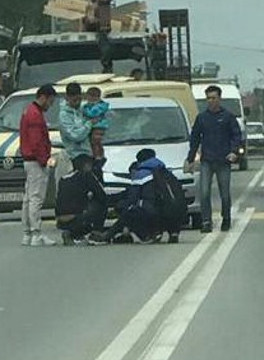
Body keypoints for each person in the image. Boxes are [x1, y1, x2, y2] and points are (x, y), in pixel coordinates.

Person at [91, 149, 183, 245]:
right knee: (162, 207)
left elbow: (131, 199)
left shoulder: (142, 173)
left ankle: (108, 236)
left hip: (156, 215)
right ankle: (173, 233)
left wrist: (117, 209)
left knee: (130, 212)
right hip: (178, 215)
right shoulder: (166, 173)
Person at [56, 82, 108, 245]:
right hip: (78, 157)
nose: (77, 103)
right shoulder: (64, 115)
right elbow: (75, 135)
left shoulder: (82, 109)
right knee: (96, 194)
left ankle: (93, 230)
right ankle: (79, 230)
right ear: (67, 98)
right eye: (74, 100)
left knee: (95, 193)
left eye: (79, 99)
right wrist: (89, 124)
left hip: (90, 155)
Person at [186, 84, 242, 233]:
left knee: (225, 194)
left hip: (223, 161)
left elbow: (236, 136)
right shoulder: (202, 118)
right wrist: (190, 160)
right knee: (204, 192)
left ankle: (226, 219)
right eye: (208, 98)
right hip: (207, 161)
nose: (211, 101)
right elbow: (195, 139)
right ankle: (206, 222)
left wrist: (234, 152)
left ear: (219, 99)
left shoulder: (228, 117)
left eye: (213, 98)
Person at [19, 84, 57, 246]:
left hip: (29, 160)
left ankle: (27, 233)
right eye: (51, 101)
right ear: (44, 97)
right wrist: (44, 160)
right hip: (36, 161)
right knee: (36, 198)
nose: (51, 105)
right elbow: (36, 142)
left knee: (28, 198)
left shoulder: (28, 111)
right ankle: (36, 233)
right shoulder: (35, 115)